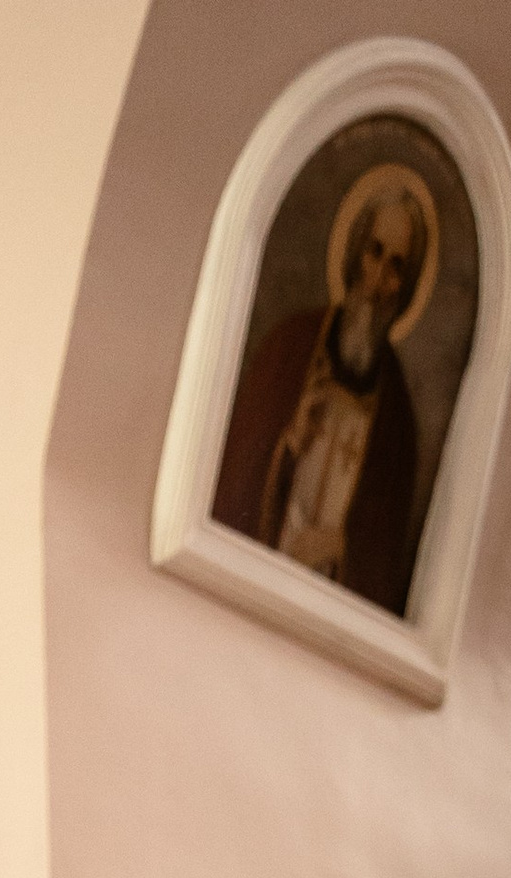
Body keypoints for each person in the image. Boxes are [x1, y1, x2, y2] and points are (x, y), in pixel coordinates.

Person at [211, 169, 434, 616]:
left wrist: (342, 544)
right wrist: (286, 446)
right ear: (355, 255)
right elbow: (229, 481)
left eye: (397, 267)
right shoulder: (289, 347)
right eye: (375, 253)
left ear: (406, 286)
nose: (379, 279)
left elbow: (386, 566)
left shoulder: (397, 421)